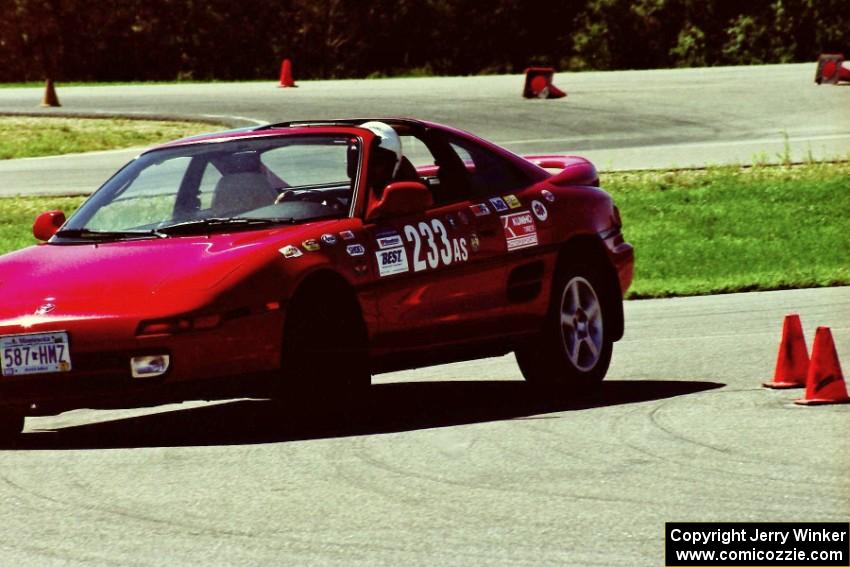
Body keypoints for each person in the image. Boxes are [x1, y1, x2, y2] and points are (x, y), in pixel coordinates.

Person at [361, 121, 403, 198]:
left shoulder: (397, 200)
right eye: (355, 157)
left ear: (390, 164)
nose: (364, 166)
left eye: (375, 160)